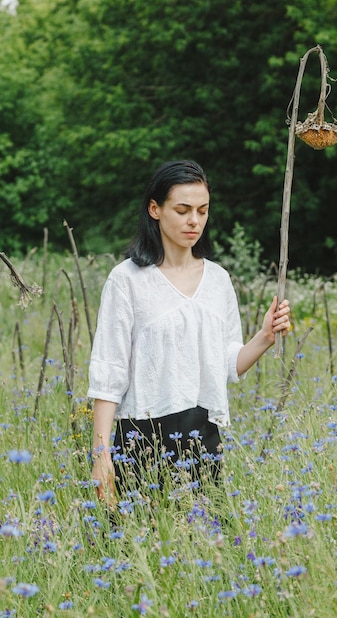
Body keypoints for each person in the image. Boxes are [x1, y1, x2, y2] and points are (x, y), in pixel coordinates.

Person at [88, 160, 291, 502]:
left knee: (203, 543)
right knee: (134, 545)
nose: (194, 221)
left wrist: (264, 337)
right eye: (182, 210)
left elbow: (226, 364)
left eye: (202, 210)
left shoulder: (218, 280)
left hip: (202, 435)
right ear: (155, 209)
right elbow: (109, 373)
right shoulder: (127, 281)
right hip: (141, 438)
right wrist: (102, 455)